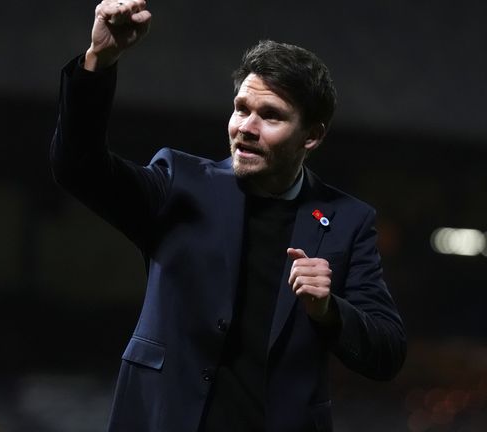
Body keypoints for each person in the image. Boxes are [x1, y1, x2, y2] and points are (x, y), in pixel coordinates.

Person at [50, 1, 406, 430]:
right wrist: (99, 61)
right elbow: (78, 168)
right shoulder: (180, 183)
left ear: (311, 136)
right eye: (242, 109)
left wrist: (329, 310)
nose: (246, 127)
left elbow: (388, 352)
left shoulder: (347, 220)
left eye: (270, 115)